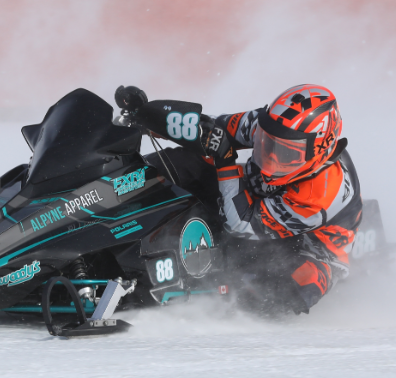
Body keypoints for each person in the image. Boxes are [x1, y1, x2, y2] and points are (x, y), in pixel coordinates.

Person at [115, 84, 362, 315]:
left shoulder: (320, 195)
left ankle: (198, 298)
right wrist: (148, 116)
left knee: (281, 288)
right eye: (266, 144)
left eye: (286, 154)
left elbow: (242, 225)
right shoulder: (273, 124)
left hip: (304, 245)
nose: (270, 160)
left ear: (320, 151)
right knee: (189, 162)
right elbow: (213, 131)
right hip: (260, 196)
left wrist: (225, 162)